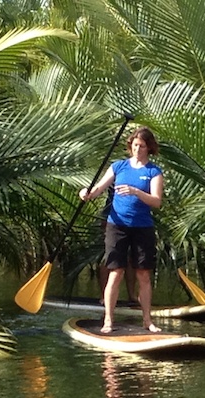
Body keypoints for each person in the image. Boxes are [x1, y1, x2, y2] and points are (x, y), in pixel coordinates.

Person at [79, 126, 164, 333]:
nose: (137, 149)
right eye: (135, 145)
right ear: (130, 146)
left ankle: (147, 321)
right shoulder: (119, 167)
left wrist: (135, 191)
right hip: (117, 225)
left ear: (149, 148)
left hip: (142, 227)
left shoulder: (153, 172)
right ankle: (108, 320)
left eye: (142, 146)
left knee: (143, 274)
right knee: (115, 272)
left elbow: (156, 201)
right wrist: (87, 193)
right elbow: (98, 188)